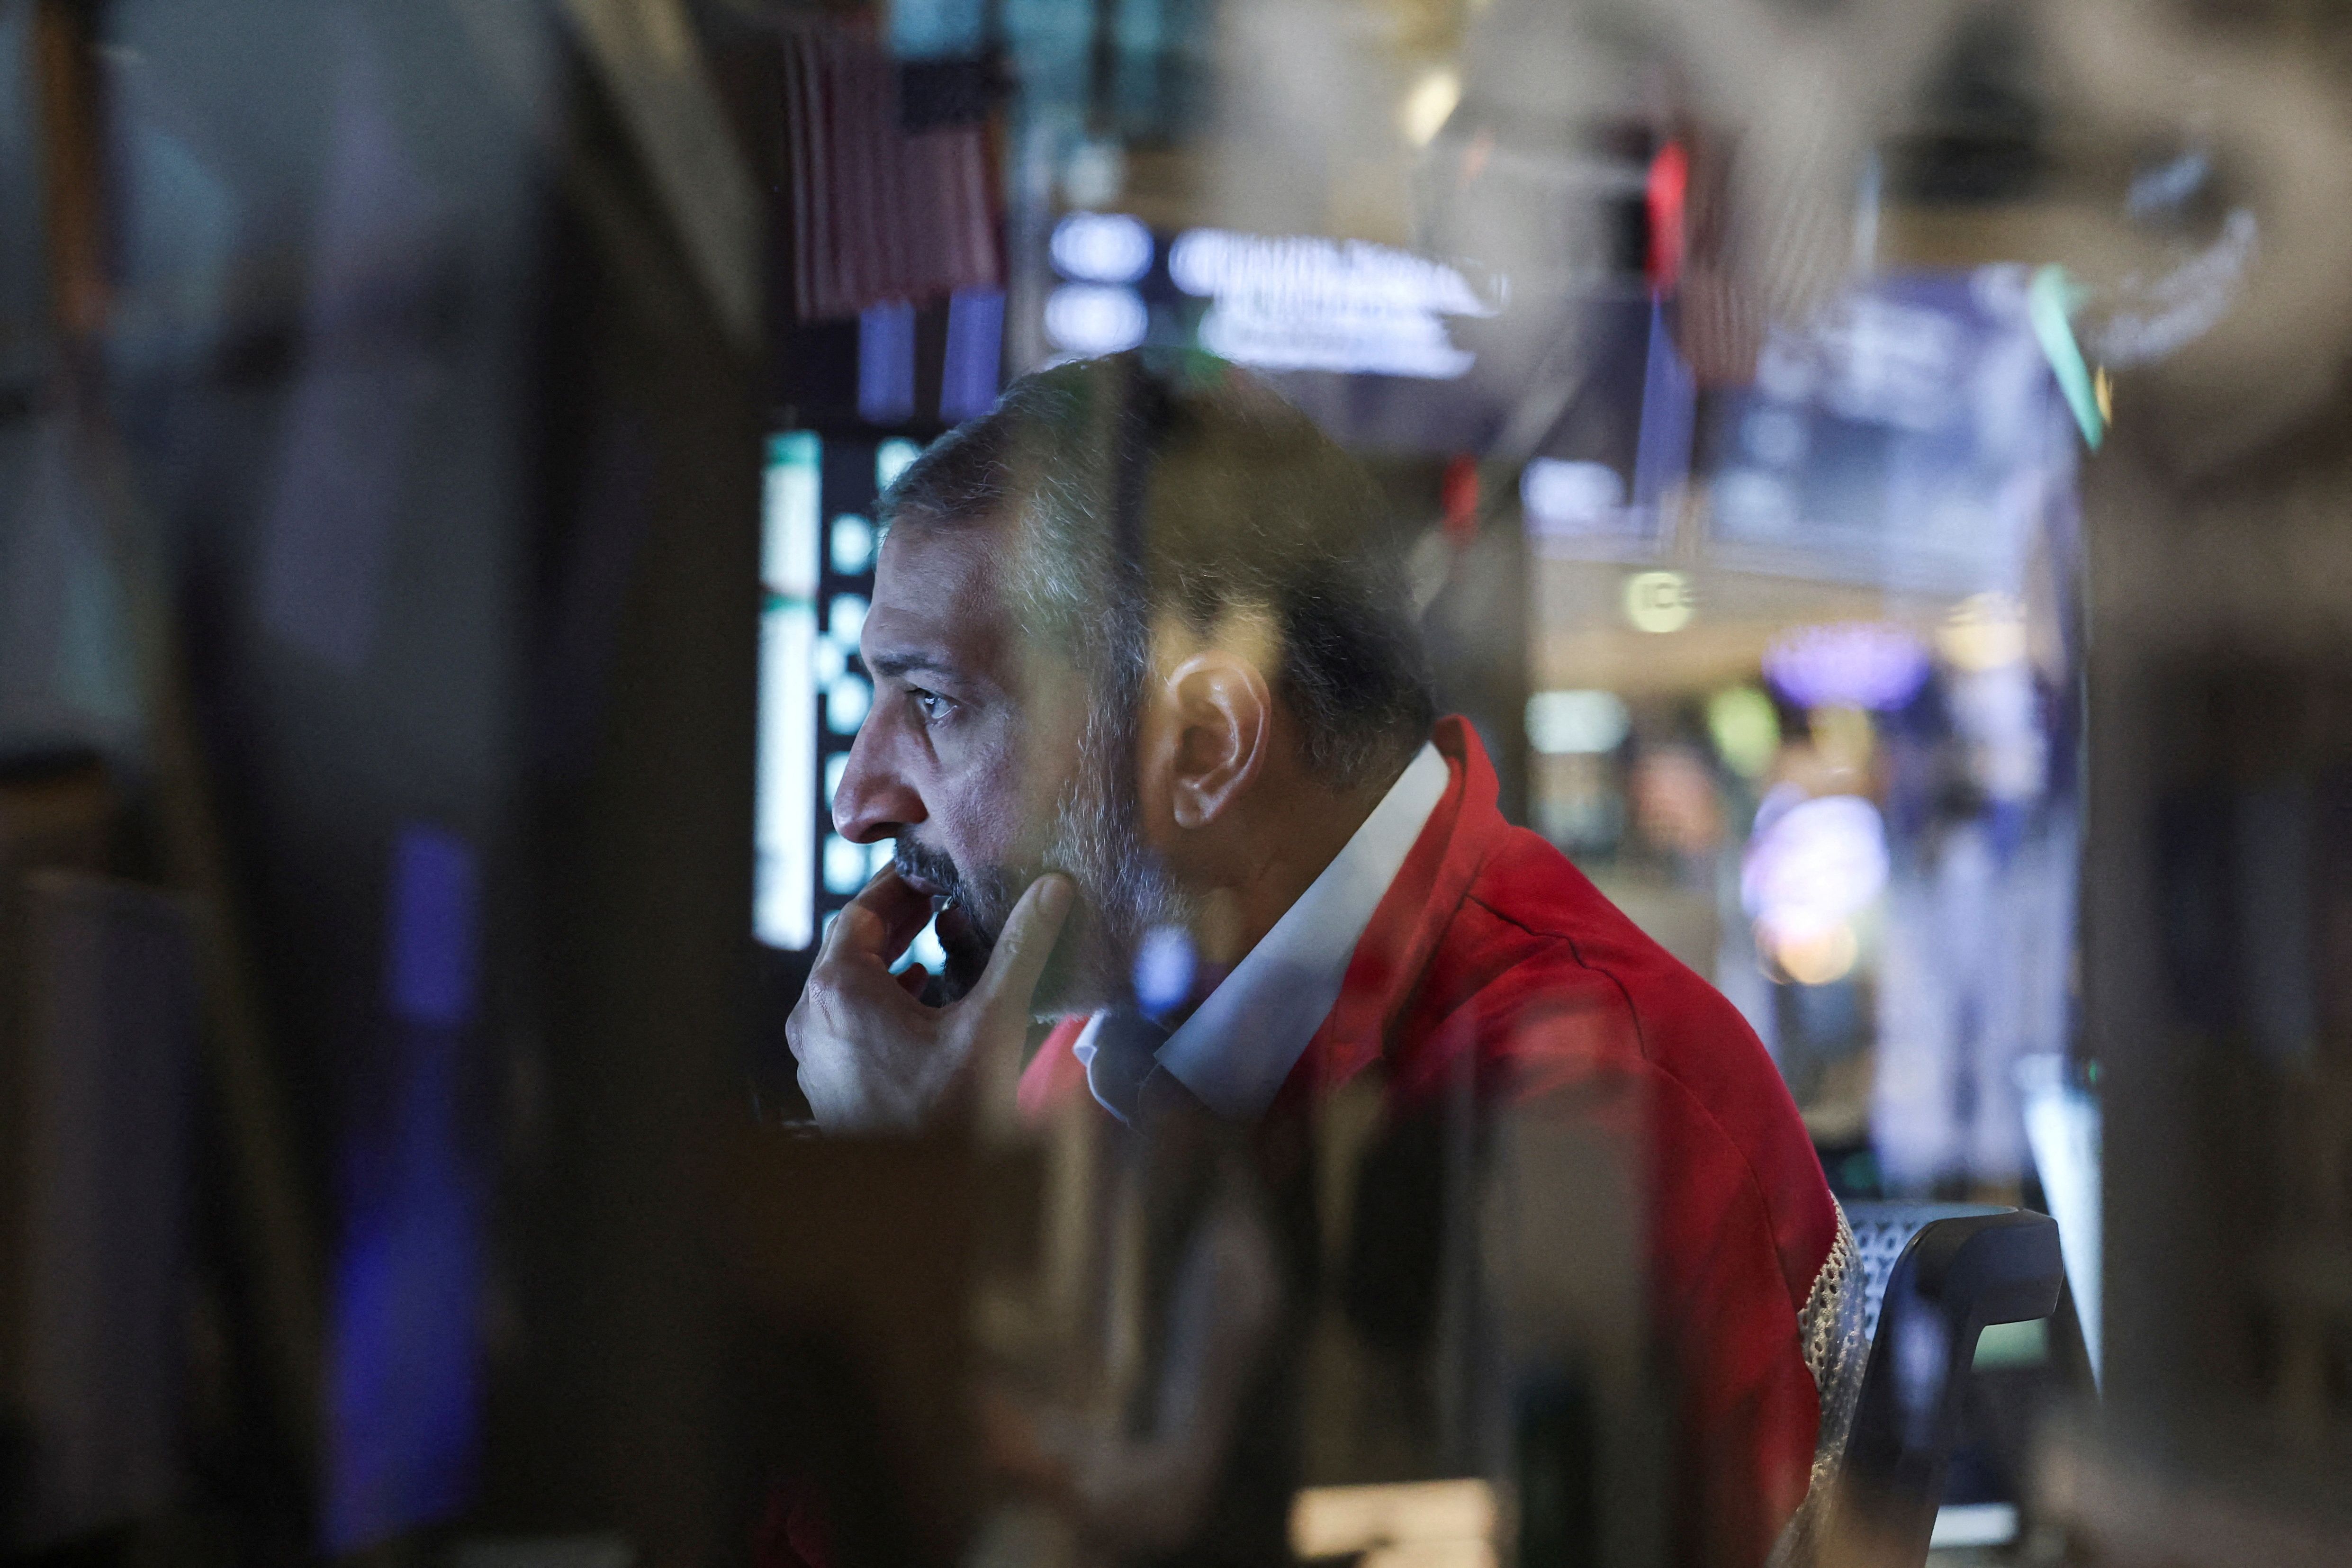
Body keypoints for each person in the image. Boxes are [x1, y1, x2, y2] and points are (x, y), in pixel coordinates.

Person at [786, 350, 1852, 1568]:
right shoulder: (1109, 1045)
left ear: (1204, 747)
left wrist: (917, 1226)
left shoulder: (1589, 1108)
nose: (856, 801)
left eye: (933, 702)